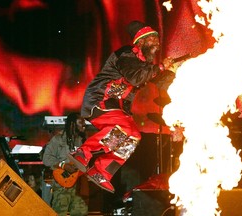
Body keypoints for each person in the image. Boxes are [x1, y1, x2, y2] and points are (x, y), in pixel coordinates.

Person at [69, 20, 175, 193]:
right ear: (140, 42)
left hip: (115, 106)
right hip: (100, 98)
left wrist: (174, 73)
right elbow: (135, 77)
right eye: (152, 39)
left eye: (157, 39)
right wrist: (161, 67)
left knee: (133, 136)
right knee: (125, 128)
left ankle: (101, 170)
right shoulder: (126, 54)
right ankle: (83, 153)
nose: (157, 42)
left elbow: (159, 80)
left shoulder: (144, 65)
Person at [42, 113, 88, 216]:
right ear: (72, 124)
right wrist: (63, 165)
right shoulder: (58, 139)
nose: (84, 124)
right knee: (59, 212)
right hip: (62, 184)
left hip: (78, 185)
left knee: (81, 212)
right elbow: (46, 158)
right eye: (81, 122)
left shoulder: (83, 141)